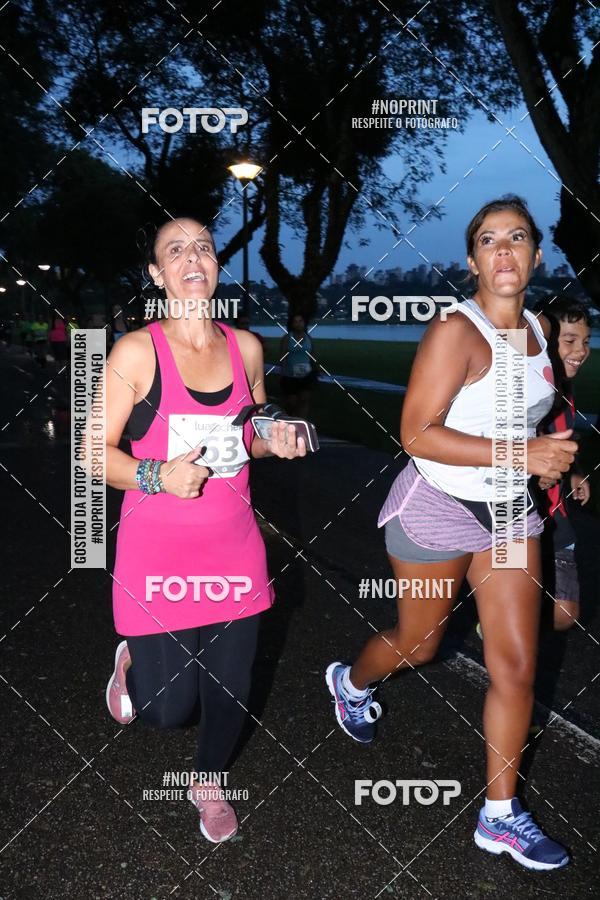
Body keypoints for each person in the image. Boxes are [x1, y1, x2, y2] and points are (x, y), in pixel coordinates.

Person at [326, 196, 576, 871]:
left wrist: (550, 455)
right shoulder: (454, 332)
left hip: (509, 512)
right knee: (423, 642)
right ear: (471, 261)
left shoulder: (539, 325)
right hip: (436, 504)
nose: (503, 251)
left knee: (517, 665)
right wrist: (524, 454)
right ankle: (351, 683)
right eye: (488, 240)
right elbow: (415, 432)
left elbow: (527, 407)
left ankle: (500, 816)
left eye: (517, 237)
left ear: (536, 254)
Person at [104, 217, 306, 844]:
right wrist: (159, 474)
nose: (193, 258)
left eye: (204, 248)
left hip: (233, 543)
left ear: (215, 265)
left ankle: (210, 780)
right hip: (155, 548)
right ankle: (132, 661)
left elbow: (250, 428)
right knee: (167, 710)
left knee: (230, 683)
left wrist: (276, 436)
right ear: (157, 274)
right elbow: (91, 453)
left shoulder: (246, 347)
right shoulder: (134, 352)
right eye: (175, 250)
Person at [535, 297, 592, 630]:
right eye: (569, 340)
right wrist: (532, 474)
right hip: (515, 520)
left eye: (585, 341)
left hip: (556, 516)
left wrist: (575, 472)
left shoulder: (566, 390)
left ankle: (504, 619)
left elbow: (566, 438)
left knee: (564, 614)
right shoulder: (520, 391)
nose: (581, 350)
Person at [279, 313, 317, 418]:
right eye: (295, 321)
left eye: (300, 321)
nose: (298, 324)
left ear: (304, 324)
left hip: (306, 375)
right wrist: (283, 372)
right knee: (292, 402)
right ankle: (289, 417)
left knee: (304, 400)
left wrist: (315, 370)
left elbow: (313, 355)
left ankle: (302, 422)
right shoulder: (287, 338)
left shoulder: (309, 338)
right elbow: (282, 356)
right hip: (290, 375)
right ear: (292, 324)